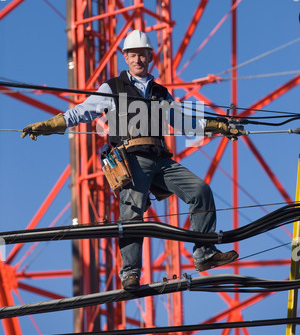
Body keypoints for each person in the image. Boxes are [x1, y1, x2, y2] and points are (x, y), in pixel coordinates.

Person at [21, 30, 238, 290]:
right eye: (133, 54)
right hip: (131, 158)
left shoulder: (159, 92)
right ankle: (130, 273)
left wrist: (218, 124)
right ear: (126, 57)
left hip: (159, 159)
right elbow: (84, 111)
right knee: (133, 213)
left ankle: (204, 253)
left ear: (150, 57)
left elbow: (182, 121)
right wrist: (53, 124)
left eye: (142, 54)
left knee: (200, 190)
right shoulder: (112, 87)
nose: (138, 59)